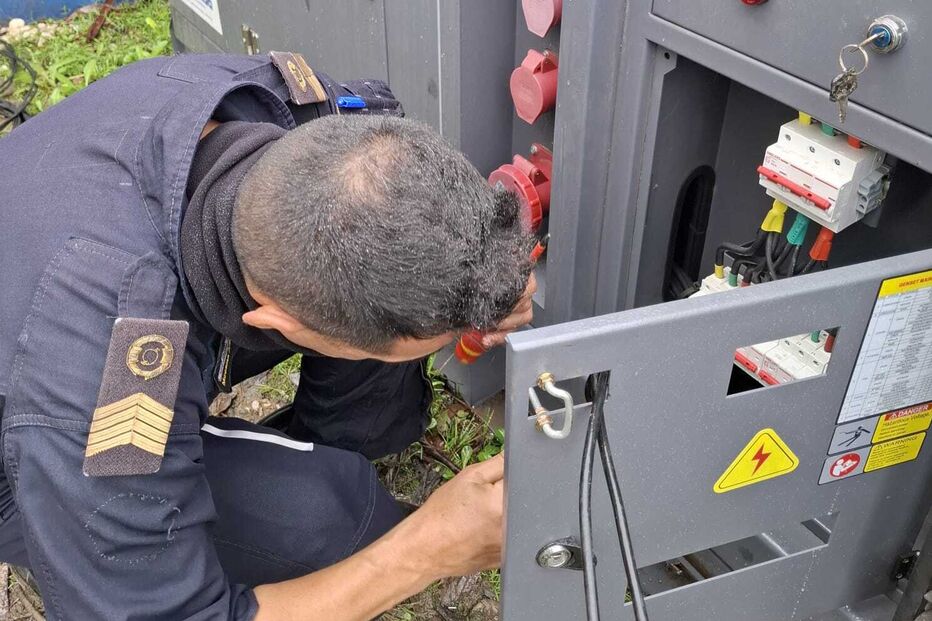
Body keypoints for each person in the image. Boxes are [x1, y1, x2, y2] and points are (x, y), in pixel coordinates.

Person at [0, 51, 536, 620]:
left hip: (75, 232)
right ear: (276, 323)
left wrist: (480, 285)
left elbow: (399, 218)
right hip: (20, 440)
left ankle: (332, 443)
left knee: (387, 300)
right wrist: (424, 552)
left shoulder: (316, 123)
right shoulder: (102, 394)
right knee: (334, 520)